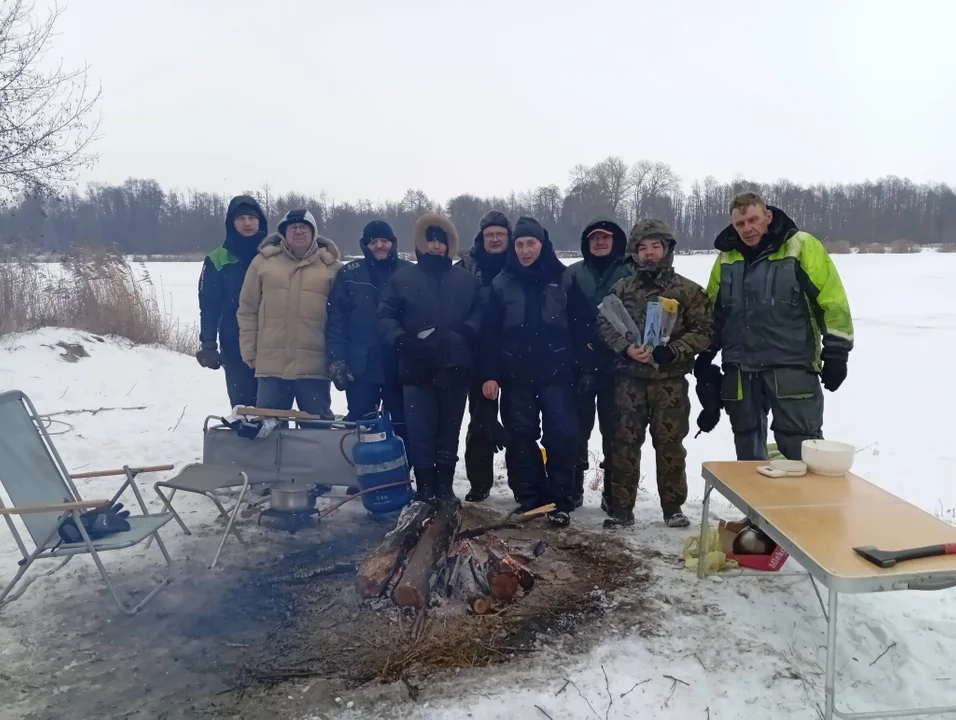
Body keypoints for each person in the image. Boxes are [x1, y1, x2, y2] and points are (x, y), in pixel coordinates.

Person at [696, 192, 854, 461]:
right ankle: (754, 504)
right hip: (740, 368)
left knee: (801, 447)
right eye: (740, 223)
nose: (748, 228)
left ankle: (806, 503)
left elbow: (832, 301)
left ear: (767, 216)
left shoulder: (801, 245)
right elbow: (714, 311)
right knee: (747, 451)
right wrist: (705, 354)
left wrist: (837, 352)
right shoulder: (726, 258)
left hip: (791, 366)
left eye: (753, 219)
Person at [597, 220, 713, 529]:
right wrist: (625, 349)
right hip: (629, 382)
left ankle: (672, 507)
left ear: (667, 249)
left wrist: (674, 350)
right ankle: (622, 508)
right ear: (634, 254)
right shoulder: (621, 290)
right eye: (642, 248)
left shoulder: (687, 291)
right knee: (624, 444)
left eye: (655, 247)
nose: (649, 254)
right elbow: (605, 325)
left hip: (669, 383)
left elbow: (705, 330)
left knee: (670, 444)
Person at [481, 217, 580, 527]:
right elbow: (489, 333)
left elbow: (581, 327)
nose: (525, 250)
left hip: (557, 374)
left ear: (543, 245)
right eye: (520, 244)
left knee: (561, 436)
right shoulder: (501, 281)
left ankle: (560, 499)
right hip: (516, 375)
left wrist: (582, 368)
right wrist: (490, 373)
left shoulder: (563, 279)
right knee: (520, 438)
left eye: (531, 243)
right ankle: (529, 497)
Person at [378, 213, 481, 504]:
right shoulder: (402, 279)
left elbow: (481, 312)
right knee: (420, 430)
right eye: (431, 241)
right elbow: (385, 316)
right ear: (420, 245)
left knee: (449, 431)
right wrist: (402, 339)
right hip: (416, 368)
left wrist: (466, 332)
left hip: (455, 367)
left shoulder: (465, 279)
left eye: (442, 241)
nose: (436, 246)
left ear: (450, 245)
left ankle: (445, 486)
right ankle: (424, 486)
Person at [237, 209, 342, 420]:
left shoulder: (332, 267)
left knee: (316, 432)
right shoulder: (263, 262)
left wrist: (338, 357)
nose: (298, 232)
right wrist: (249, 349)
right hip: (271, 365)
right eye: (292, 228)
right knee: (268, 430)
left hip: (314, 366)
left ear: (314, 232)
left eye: (304, 227)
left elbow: (342, 317)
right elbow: (248, 308)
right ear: (283, 233)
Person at [565, 217, 635, 513]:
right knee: (575, 429)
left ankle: (612, 492)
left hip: (618, 364)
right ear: (587, 243)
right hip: (579, 363)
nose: (600, 243)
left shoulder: (629, 271)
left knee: (616, 432)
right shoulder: (573, 273)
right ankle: (572, 487)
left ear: (616, 241)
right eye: (594, 239)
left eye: (605, 238)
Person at [326, 220, 411, 435]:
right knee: (361, 424)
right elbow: (337, 319)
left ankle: (402, 466)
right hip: (361, 366)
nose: (380, 245)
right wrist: (338, 358)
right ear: (365, 245)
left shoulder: (408, 273)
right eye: (374, 241)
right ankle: (360, 467)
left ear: (393, 243)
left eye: (384, 240)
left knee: (402, 424)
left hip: (399, 365)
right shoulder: (349, 274)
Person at [455, 210, 512, 502]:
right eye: (489, 235)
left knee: (517, 423)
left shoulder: (518, 261)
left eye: (500, 234)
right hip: (476, 354)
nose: (494, 239)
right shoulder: (467, 266)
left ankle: (522, 483)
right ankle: (479, 483)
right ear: (482, 237)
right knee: (481, 420)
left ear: (508, 236)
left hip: (514, 353)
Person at [196, 195, 268, 408]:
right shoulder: (217, 258)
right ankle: (244, 441)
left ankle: (276, 442)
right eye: (241, 218)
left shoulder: (273, 254)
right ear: (231, 222)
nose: (247, 223)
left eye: (252, 218)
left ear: (260, 221)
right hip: (234, 341)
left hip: (273, 341)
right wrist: (208, 343)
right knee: (244, 406)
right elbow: (208, 305)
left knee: (273, 407)